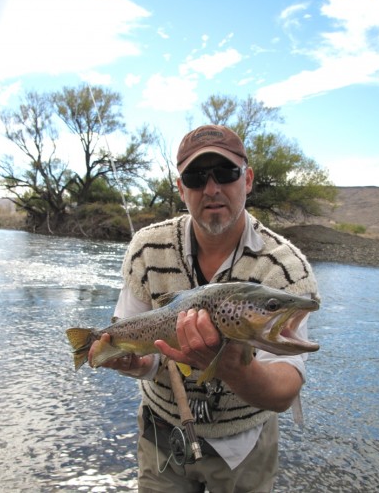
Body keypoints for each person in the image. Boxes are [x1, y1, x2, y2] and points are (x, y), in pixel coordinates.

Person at [89, 124, 319, 492]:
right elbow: (147, 356)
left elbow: (285, 391)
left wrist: (229, 366)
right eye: (196, 177)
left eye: (226, 173)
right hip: (161, 435)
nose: (211, 188)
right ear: (181, 189)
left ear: (247, 180)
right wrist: (131, 361)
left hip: (244, 448)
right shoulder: (147, 248)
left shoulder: (284, 267)